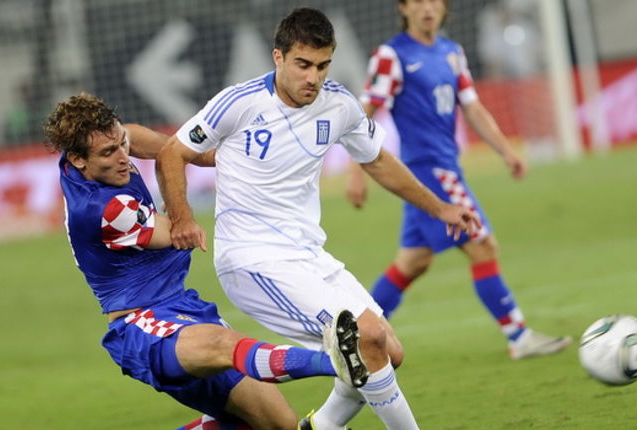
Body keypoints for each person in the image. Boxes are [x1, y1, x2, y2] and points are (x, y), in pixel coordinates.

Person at [158, 8, 481, 430]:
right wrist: (182, 218)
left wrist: (440, 208)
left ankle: (320, 427)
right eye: (303, 64)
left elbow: (378, 160)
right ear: (278, 57)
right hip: (253, 259)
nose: (313, 77)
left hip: (309, 255)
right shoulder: (240, 103)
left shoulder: (339, 105)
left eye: (323, 65)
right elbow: (172, 152)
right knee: (366, 342)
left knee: (388, 351)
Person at [43, 92, 369, 430]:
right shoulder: (105, 211)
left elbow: (134, 135)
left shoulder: (84, 155)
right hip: (141, 326)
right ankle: (337, 359)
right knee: (223, 344)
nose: (124, 157)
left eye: (120, 144)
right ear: (79, 159)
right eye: (109, 153)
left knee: (278, 425)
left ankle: (341, 360)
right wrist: (199, 182)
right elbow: (178, 232)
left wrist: (197, 156)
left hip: (180, 305)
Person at [348, 0, 571, 360]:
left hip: (445, 167)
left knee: (413, 262)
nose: (427, 8)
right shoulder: (392, 55)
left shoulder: (452, 52)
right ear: (403, 8)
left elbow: (473, 107)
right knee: (483, 246)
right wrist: (355, 173)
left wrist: (506, 151)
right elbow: (362, 116)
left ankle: (358, 337)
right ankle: (518, 336)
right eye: (417, 2)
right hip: (427, 171)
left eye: (434, 0)